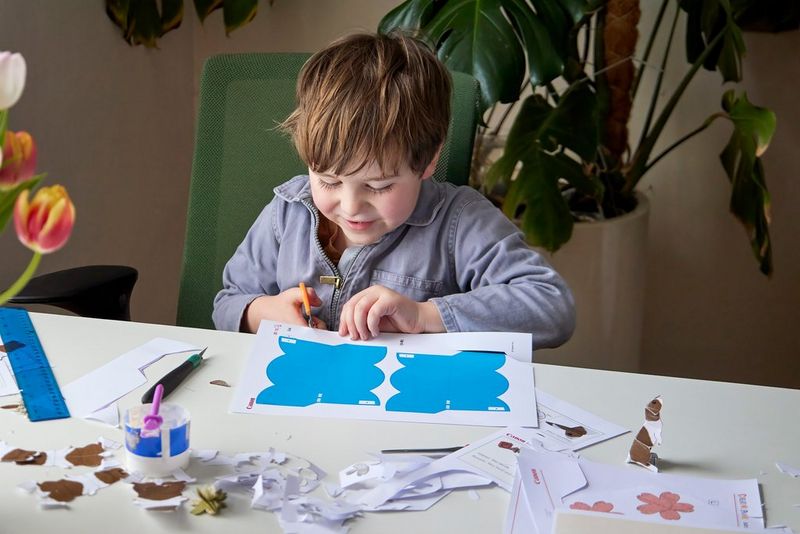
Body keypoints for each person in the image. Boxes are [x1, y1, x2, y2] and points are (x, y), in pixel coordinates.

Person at [212, 31, 575, 349]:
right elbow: (227, 301)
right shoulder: (287, 211)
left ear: (429, 160)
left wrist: (424, 316)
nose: (351, 206)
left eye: (379, 186)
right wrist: (261, 313)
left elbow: (551, 307)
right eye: (328, 180)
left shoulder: (460, 221)